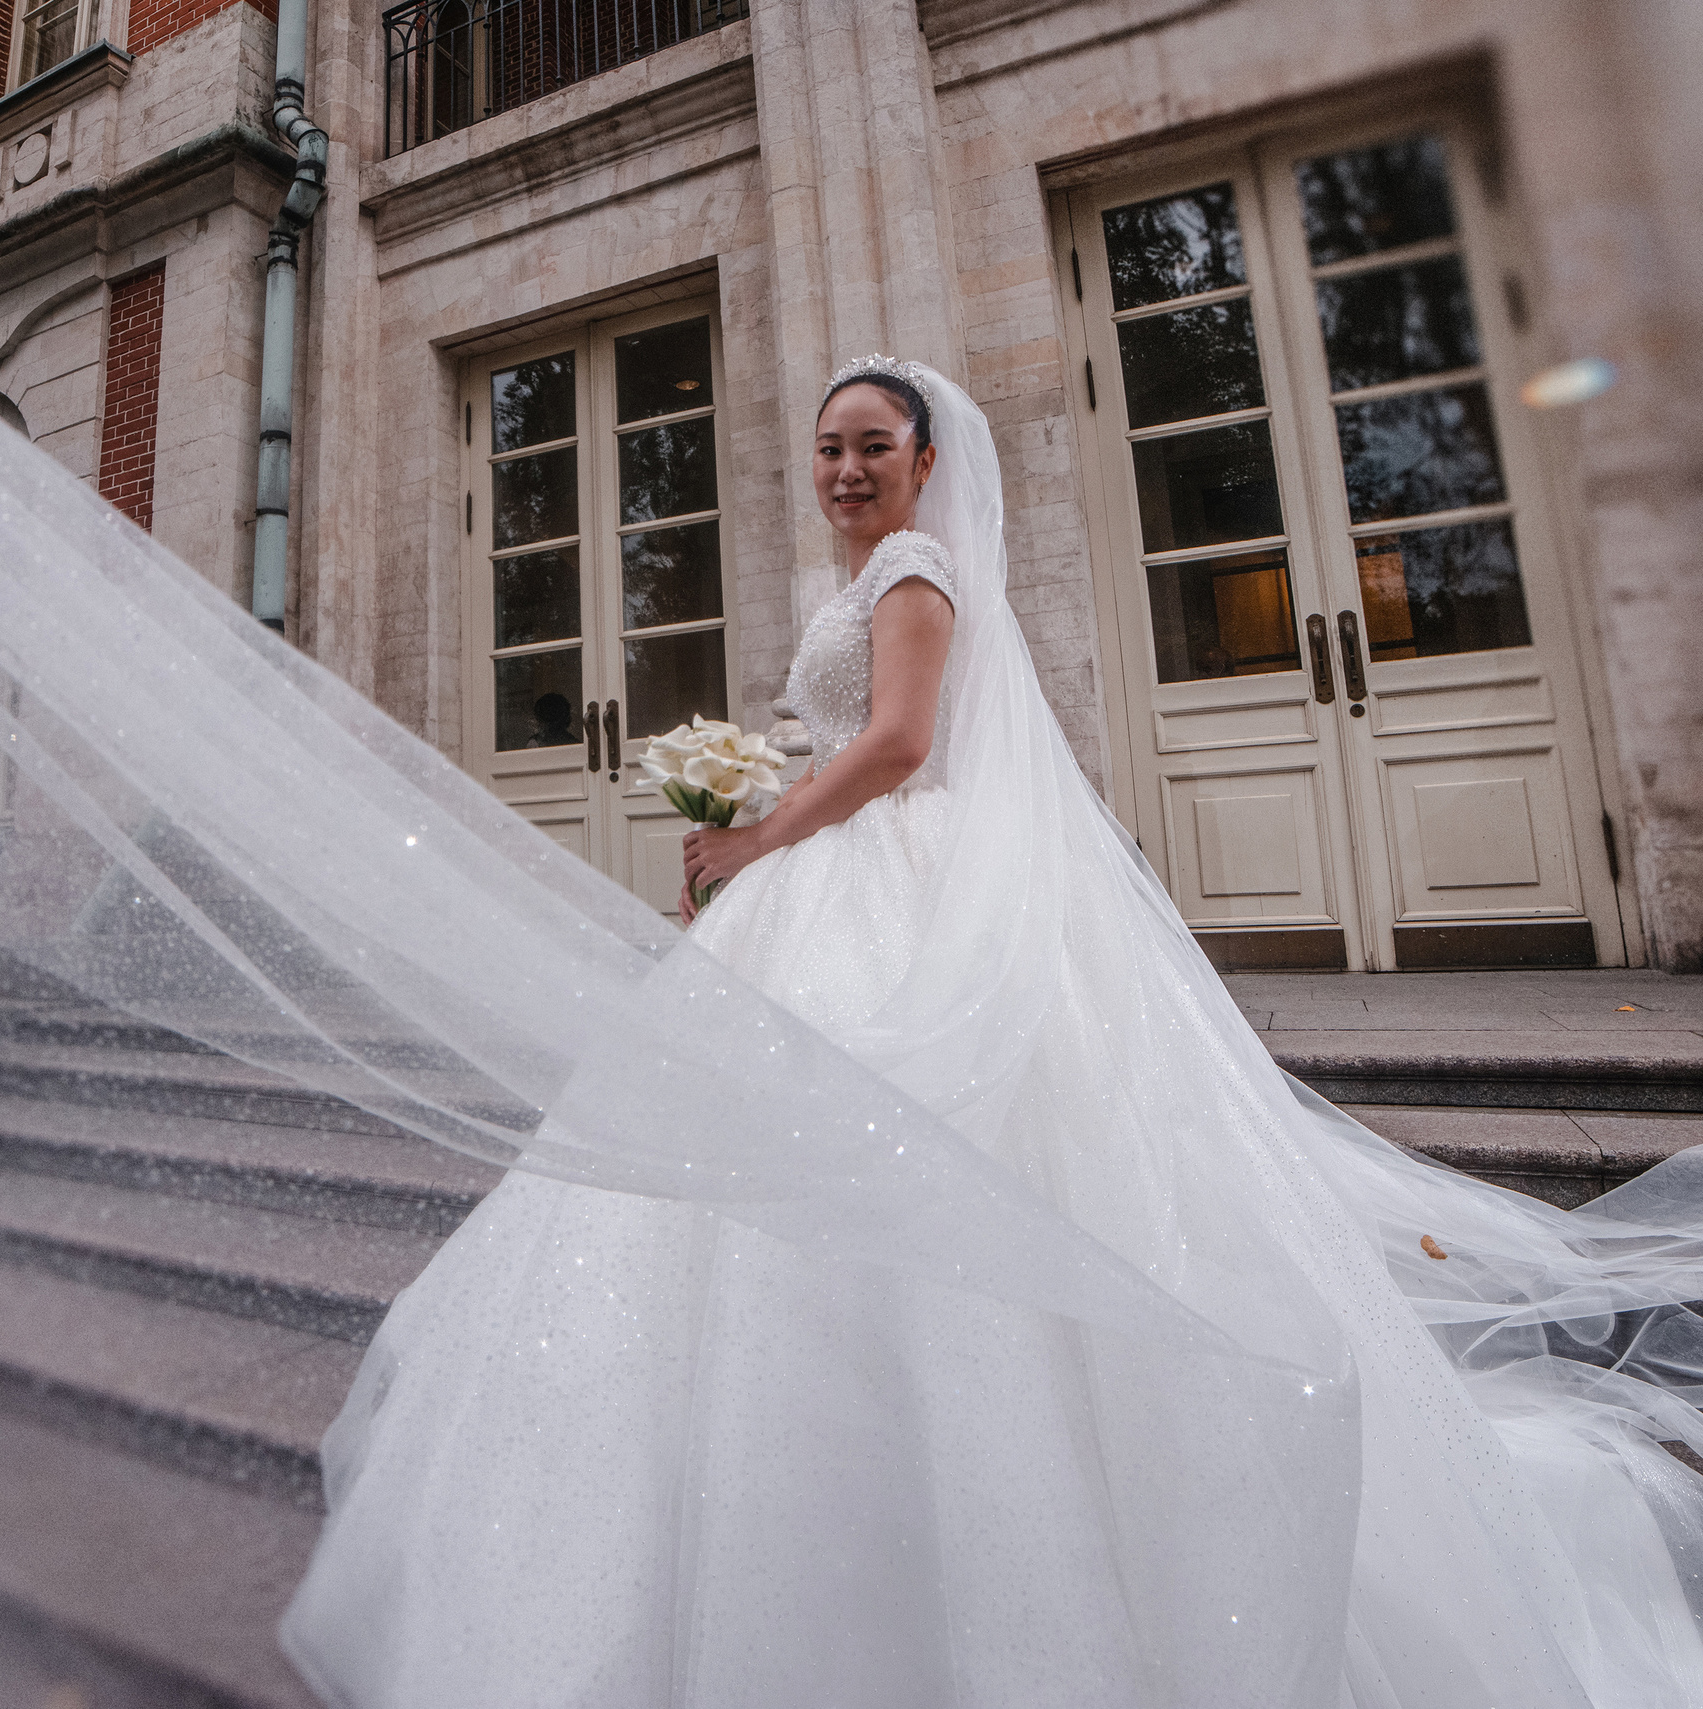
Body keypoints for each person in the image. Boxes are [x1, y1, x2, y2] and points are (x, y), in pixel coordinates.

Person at [279, 359, 1703, 1708]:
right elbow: (857, 738)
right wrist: (751, 825)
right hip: (844, 874)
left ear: (925, 462)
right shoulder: (867, 576)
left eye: (873, 447)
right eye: (829, 449)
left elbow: (900, 742)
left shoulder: (914, 569)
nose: (846, 468)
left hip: (892, 875)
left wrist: (762, 835)